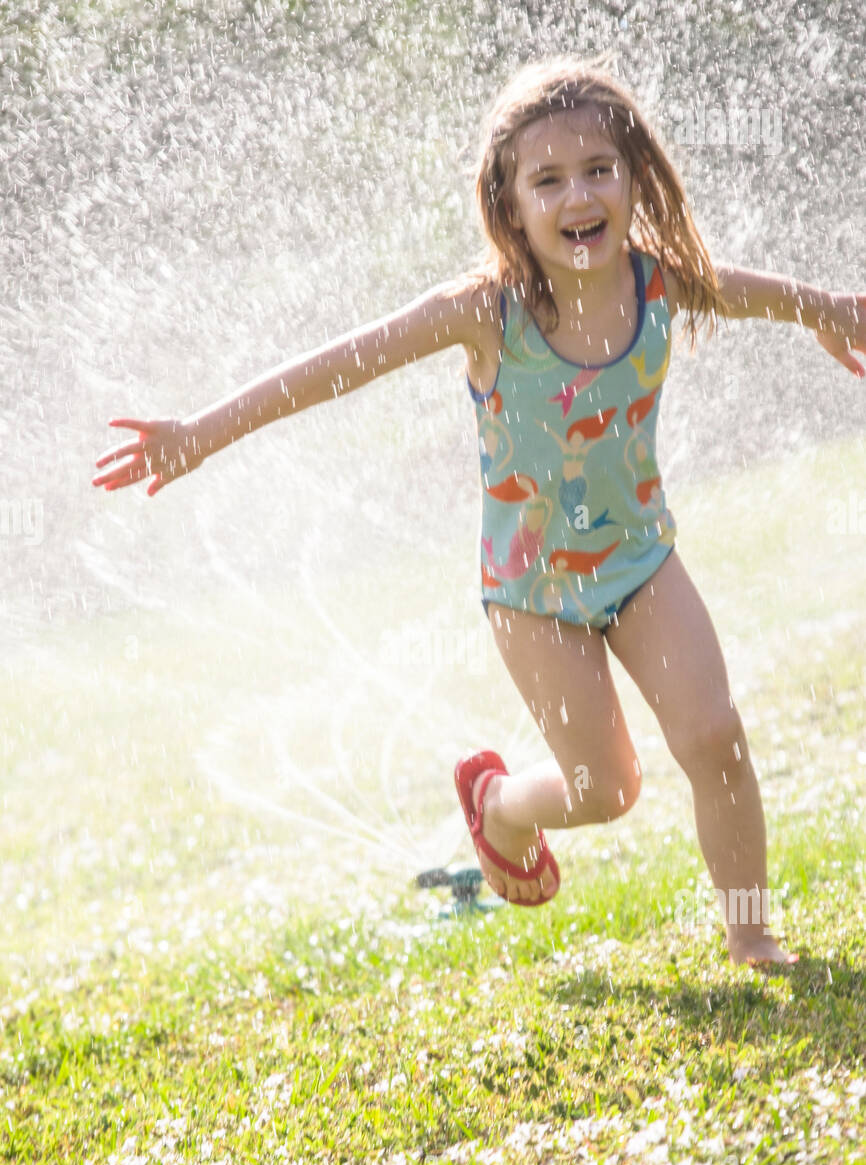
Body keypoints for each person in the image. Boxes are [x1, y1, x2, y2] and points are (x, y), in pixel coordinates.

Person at [93, 57, 865, 967]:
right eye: (548, 180)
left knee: (715, 737)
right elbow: (329, 369)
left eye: (597, 171)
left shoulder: (661, 281)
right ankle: (497, 804)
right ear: (511, 206)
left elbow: (761, 295)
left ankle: (749, 931)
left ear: (631, 179)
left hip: (644, 565)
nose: (577, 194)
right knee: (603, 789)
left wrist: (831, 311)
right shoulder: (484, 313)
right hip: (532, 597)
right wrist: (200, 433)